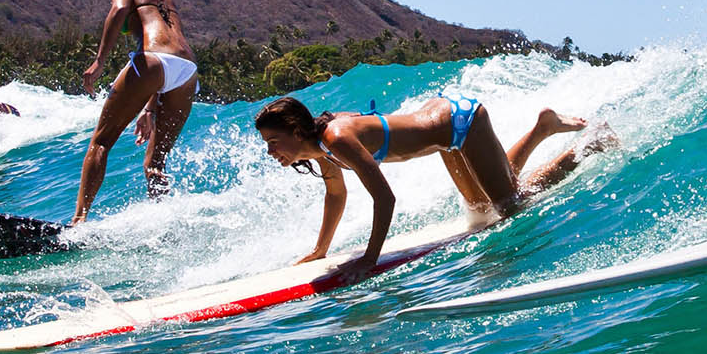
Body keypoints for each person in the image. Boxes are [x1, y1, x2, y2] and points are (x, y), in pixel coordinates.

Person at [255, 96, 604, 271]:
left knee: (510, 205)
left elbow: (385, 199)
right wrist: (321, 250)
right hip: (442, 133)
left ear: (296, 131)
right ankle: (542, 128)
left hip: (460, 121)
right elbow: (335, 194)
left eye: (273, 142)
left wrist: (370, 259)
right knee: (483, 207)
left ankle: (590, 144)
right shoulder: (320, 148)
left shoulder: (337, 138)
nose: (271, 152)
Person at [72, 0, 197, 223]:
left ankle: (78, 222)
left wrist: (99, 61)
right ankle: (161, 221)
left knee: (100, 143)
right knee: (156, 161)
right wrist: (149, 109)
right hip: (187, 69)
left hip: (154, 61)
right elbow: (166, 60)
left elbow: (118, 10)